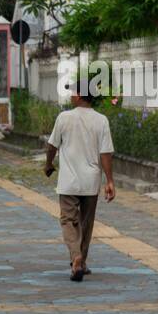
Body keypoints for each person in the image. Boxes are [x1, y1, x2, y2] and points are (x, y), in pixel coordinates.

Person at [44, 87, 116, 282]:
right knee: (86, 223)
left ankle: (75, 256)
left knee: (68, 220)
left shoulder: (64, 118)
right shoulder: (101, 120)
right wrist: (109, 181)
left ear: (79, 95)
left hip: (69, 180)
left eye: (73, 92)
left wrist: (48, 164)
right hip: (91, 181)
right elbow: (106, 153)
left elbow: (52, 145)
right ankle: (81, 262)